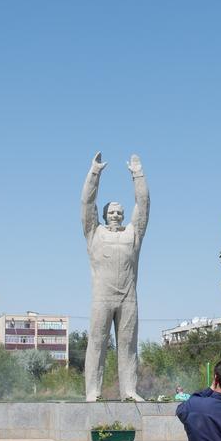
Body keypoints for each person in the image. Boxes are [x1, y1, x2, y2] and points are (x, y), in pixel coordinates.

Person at [81, 151, 149, 401]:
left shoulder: (133, 234)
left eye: (120, 212)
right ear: (103, 215)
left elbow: (143, 206)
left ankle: (129, 391)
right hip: (102, 298)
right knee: (97, 344)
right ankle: (93, 391)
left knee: (128, 347)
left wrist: (138, 174)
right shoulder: (94, 233)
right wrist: (94, 173)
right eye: (111, 212)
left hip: (128, 298)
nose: (116, 215)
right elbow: (86, 203)